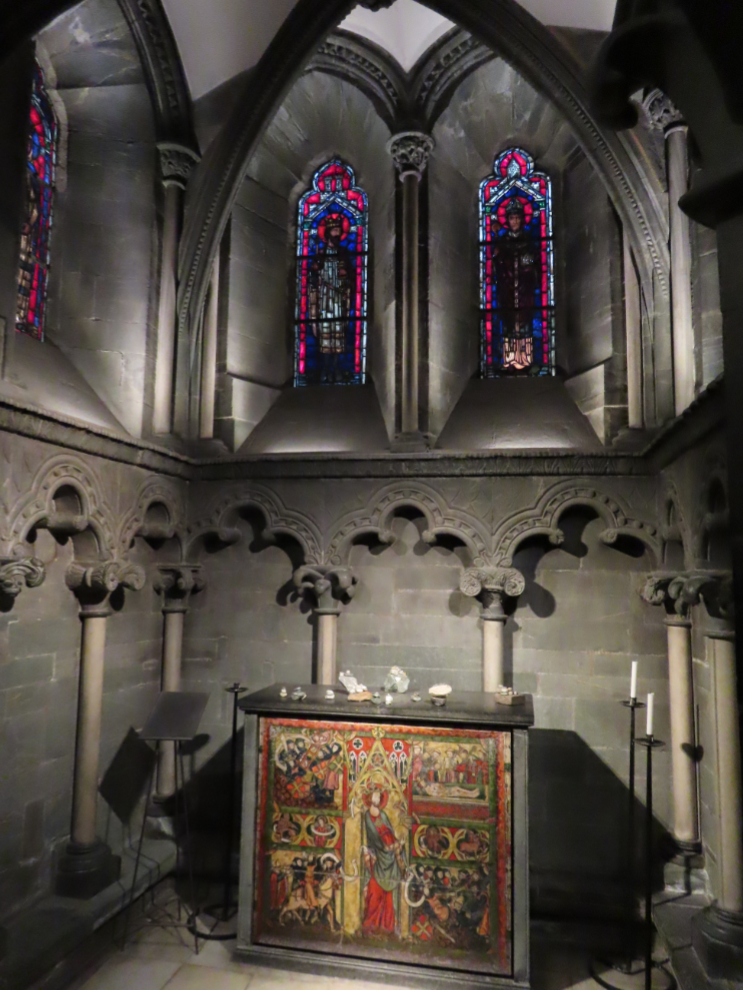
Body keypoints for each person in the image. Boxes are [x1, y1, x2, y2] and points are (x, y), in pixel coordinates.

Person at [490, 198, 542, 371]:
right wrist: (500, 255)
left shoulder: (528, 239)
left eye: (518, 218)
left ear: (522, 219)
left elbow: (533, 259)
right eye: (512, 218)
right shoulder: (503, 239)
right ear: (508, 220)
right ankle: (509, 359)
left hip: (525, 286)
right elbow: (498, 263)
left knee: (525, 321)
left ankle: (525, 359)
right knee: (509, 321)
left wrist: (522, 261)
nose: (515, 221)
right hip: (508, 287)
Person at [307, 215, 355, 384]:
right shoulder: (320, 255)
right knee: (325, 335)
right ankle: (325, 370)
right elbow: (311, 280)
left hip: (339, 300)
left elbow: (352, 277)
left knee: (338, 335)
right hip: (324, 301)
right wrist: (316, 276)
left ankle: (337, 368)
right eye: (334, 232)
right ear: (327, 234)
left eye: (339, 232)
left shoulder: (344, 254)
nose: (337, 235)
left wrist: (346, 282)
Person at [362, 788, 405, 935]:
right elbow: (373, 837)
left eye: (378, 797)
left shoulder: (384, 815)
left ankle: (387, 926)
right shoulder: (367, 816)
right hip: (378, 855)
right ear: (369, 798)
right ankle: (371, 924)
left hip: (390, 858)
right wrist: (386, 848)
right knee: (375, 890)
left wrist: (395, 845)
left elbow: (390, 832)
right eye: (374, 796)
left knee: (389, 895)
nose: (376, 799)